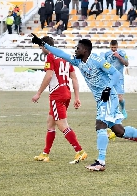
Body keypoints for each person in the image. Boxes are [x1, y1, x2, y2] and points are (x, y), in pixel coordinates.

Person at [31, 34, 137, 171]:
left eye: (78, 48)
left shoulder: (98, 60)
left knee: (100, 124)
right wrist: (43, 44)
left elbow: (116, 74)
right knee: (119, 131)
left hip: (109, 97)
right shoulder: (77, 61)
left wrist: (108, 88)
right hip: (101, 100)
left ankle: (101, 162)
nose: (75, 50)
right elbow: (61, 53)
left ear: (85, 51)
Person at [32, 36, 87, 164]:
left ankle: (79, 151)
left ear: (45, 46)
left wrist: (38, 93)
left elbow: (49, 75)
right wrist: (76, 97)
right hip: (66, 93)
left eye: (41, 47)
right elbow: (74, 78)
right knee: (50, 122)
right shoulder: (65, 58)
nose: (41, 49)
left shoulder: (50, 57)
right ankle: (45, 153)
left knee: (62, 124)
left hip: (57, 94)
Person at [104, 40, 129, 119]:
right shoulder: (106, 54)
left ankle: (123, 109)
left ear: (117, 46)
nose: (113, 49)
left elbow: (127, 63)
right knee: (110, 97)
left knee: (120, 98)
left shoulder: (122, 53)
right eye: (112, 47)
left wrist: (119, 57)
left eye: (115, 47)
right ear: (110, 46)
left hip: (119, 78)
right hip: (110, 78)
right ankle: (113, 112)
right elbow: (104, 65)